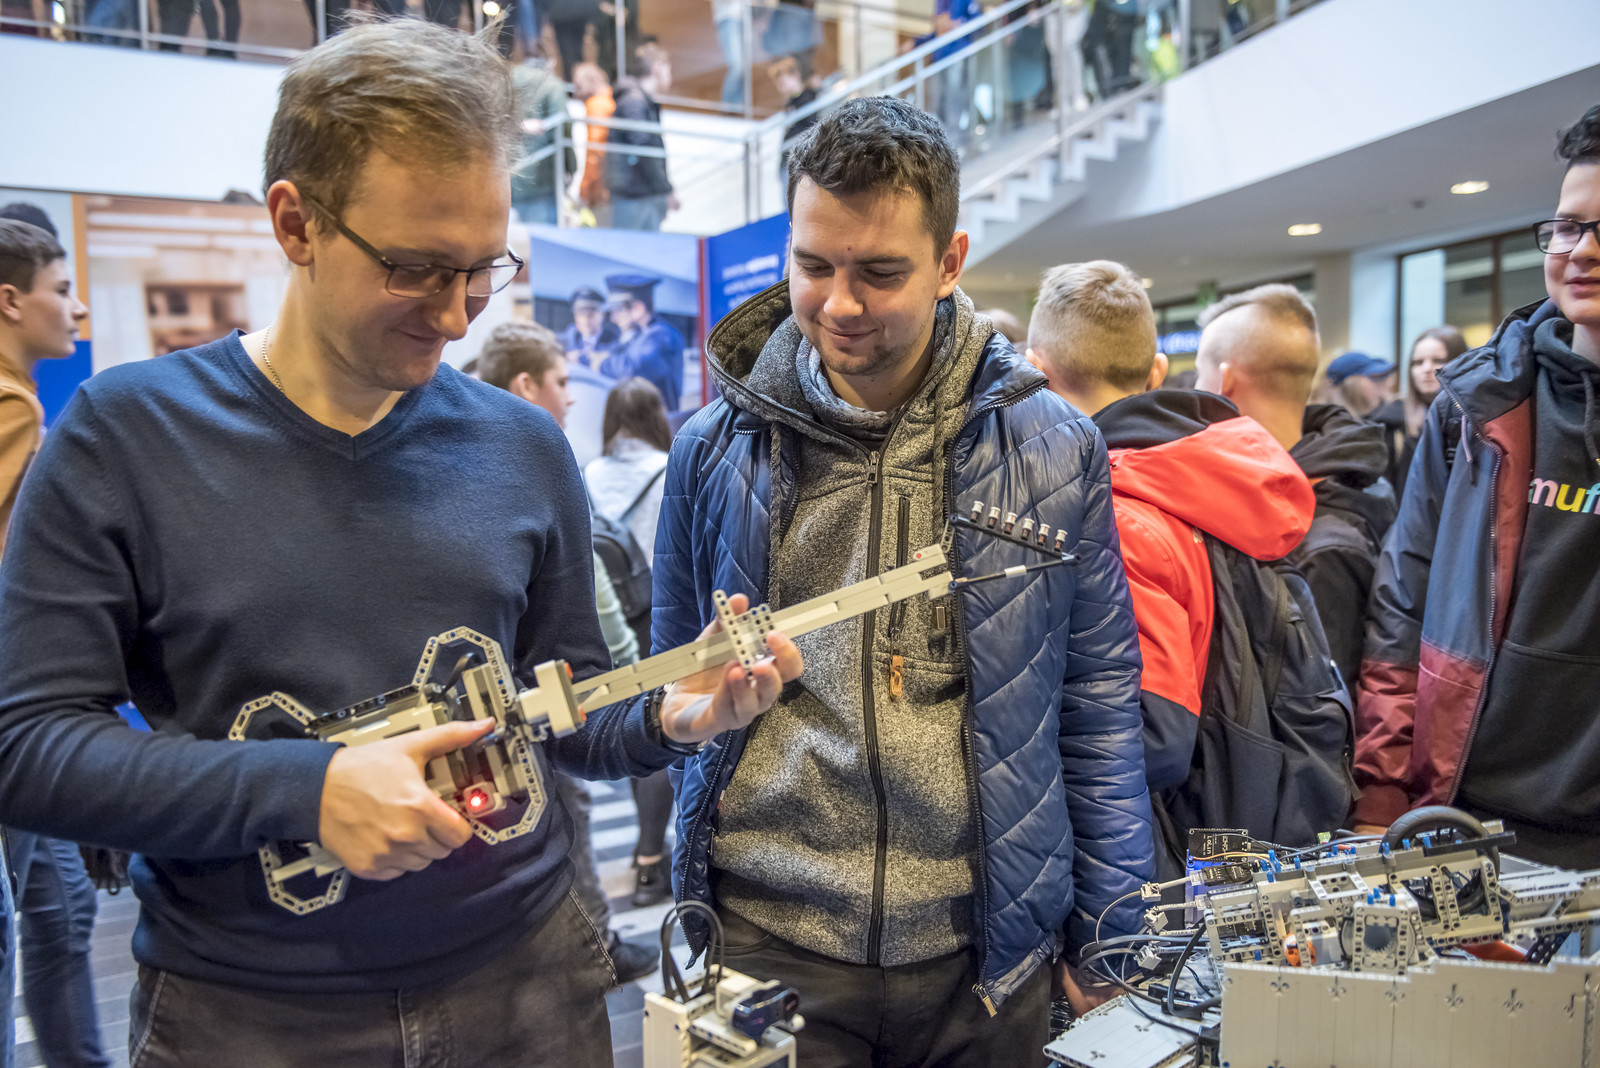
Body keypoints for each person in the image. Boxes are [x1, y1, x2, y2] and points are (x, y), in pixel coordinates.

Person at [0, 22, 801, 1066]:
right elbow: (27, 746)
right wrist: (306, 791)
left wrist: (671, 715)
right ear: (295, 223)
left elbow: (563, 710)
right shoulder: (124, 439)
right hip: (248, 1017)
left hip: (529, 990)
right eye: (416, 269)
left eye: (482, 270)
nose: (458, 316)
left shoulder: (521, 446)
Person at [661, 99, 1155, 1063]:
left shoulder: (1056, 449)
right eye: (813, 266)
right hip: (766, 938)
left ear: (950, 261)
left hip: (983, 952)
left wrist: (1111, 933)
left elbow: (1096, 699)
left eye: (880, 273)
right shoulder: (714, 452)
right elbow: (675, 683)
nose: (840, 304)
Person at [1355, 103, 1600, 866]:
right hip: (1470, 811)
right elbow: (1403, 603)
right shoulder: (1476, 406)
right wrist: (1381, 795)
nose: (1582, 251)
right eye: (1568, 227)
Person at [1024, 260, 1318, 873]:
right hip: (1233, 822)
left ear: (1035, 372)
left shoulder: (1120, 516)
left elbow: (1151, 737)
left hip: (1154, 855)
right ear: (1156, 371)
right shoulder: (1206, 481)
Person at [474, 319, 662, 983]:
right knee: (561, 810)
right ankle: (593, 947)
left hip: (532, 697)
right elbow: (593, 597)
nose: (572, 393)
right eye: (560, 380)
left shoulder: (539, 458)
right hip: (535, 703)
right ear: (527, 384)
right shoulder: (523, 455)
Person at [0, 218, 109, 1068]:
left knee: (62, 906)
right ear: (10, 301)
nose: (76, 309)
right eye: (61, 290)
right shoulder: (10, 406)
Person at [1193, 283, 1396, 687]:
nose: (1195, 390)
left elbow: (1321, 706)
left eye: (1201, 373)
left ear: (1224, 381)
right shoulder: (1339, 487)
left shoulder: (1318, 540)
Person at [585, 377, 674, 908]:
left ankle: (644, 859)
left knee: (624, 729)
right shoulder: (669, 468)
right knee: (660, 731)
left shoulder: (590, 473)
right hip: (660, 614)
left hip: (610, 620)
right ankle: (650, 861)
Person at [1370, 325, 1468, 499]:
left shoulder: (1476, 419)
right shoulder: (1390, 421)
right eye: (1418, 362)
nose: (1427, 369)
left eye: (1438, 360)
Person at [607, 44, 678, 233]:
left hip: (638, 195)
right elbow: (643, 149)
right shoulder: (635, 101)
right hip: (635, 196)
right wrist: (665, 190)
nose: (670, 76)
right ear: (657, 68)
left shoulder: (639, 100)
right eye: (669, 69)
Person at [599, 273, 685, 411]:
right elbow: (615, 350)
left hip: (658, 421)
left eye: (618, 310)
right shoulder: (642, 335)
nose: (614, 318)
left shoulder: (662, 336)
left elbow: (632, 369)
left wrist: (600, 363)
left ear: (638, 308)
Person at [511, 42, 574, 226]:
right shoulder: (551, 84)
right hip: (542, 179)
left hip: (508, 175)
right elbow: (562, 129)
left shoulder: (505, 79)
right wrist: (571, 167)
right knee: (541, 238)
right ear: (551, 61)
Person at [573, 63, 616, 227]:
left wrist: (584, 191)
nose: (576, 94)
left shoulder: (596, 105)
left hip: (601, 189)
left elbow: (594, 152)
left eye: (578, 86)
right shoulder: (609, 101)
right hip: (612, 185)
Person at [1323, 350, 1397, 419]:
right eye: (1375, 377)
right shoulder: (1336, 425)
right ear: (1350, 384)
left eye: (1383, 377)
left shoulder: (1357, 421)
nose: (1384, 384)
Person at [560, 285, 620, 370]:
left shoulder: (615, 342)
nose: (586, 318)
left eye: (592, 313)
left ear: (602, 315)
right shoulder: (564, 341)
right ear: (575, 316)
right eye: (581, 313)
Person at [712, 0, 747, 107]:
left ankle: (738, 105)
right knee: (736, 66)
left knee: (742, 67)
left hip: (741, 19)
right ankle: (728, 106)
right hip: (727, 19)